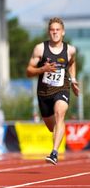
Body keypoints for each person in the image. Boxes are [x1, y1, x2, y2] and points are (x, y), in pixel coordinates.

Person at [26, 17, 79, 165]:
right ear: (48, 32)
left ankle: (54, 153)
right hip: (44, 93)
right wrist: (43, 69)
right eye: (52, 30)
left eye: (58, 30)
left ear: (63, 32)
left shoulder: (70, 50)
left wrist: (73, 80)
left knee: (60, 114)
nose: (55, 32)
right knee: (52, 127)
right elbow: (29, 71)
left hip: (62, 88)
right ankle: (57, 136)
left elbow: (72, 63)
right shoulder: (40, 49)